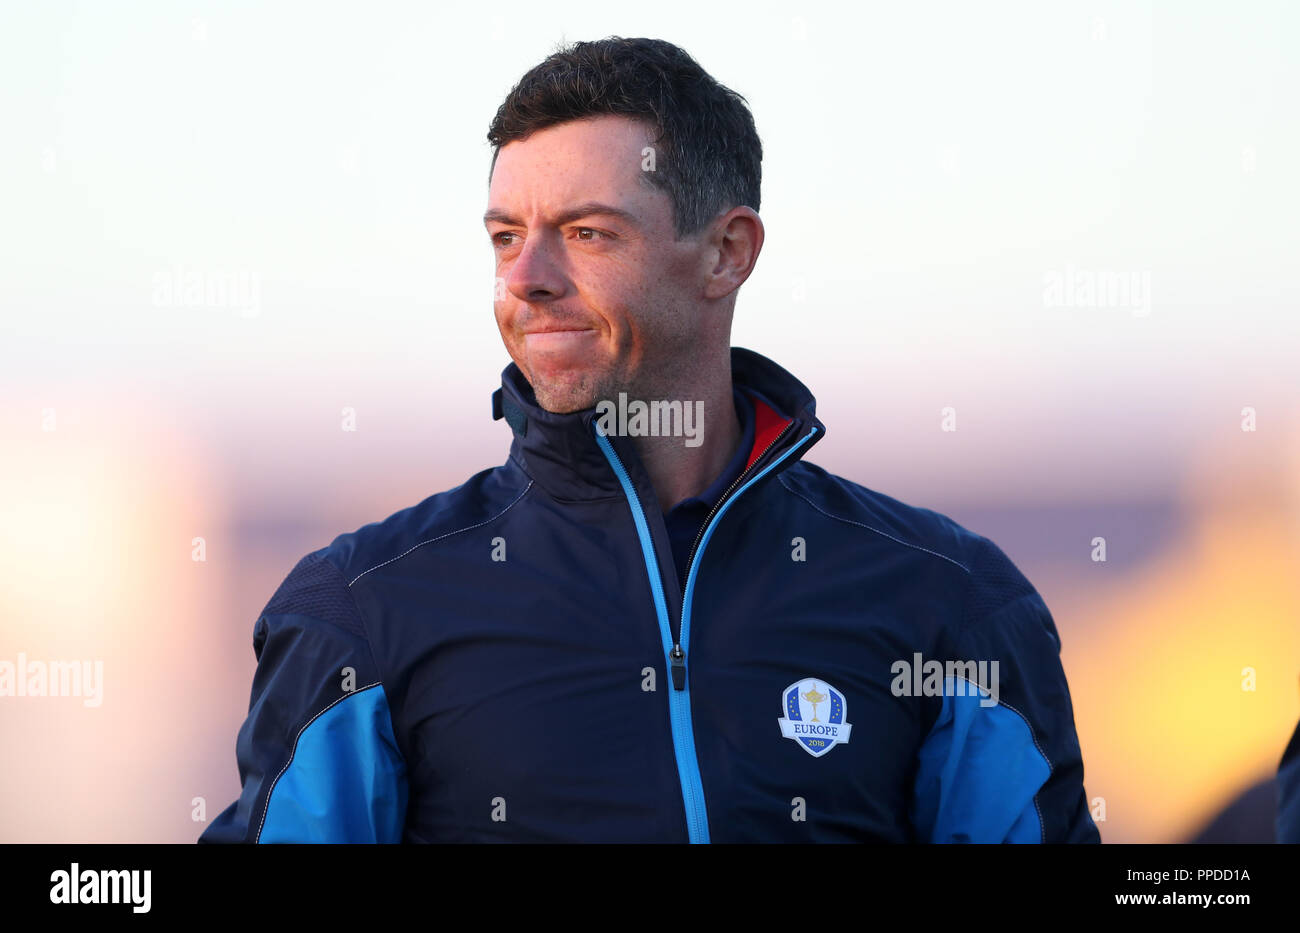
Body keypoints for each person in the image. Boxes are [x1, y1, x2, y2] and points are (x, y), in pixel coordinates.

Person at [200, 36, 1100, 843]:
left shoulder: (954, 604)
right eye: (506, 237)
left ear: (726, 254)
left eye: (586, 233)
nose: (526, 278)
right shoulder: (360, 613)